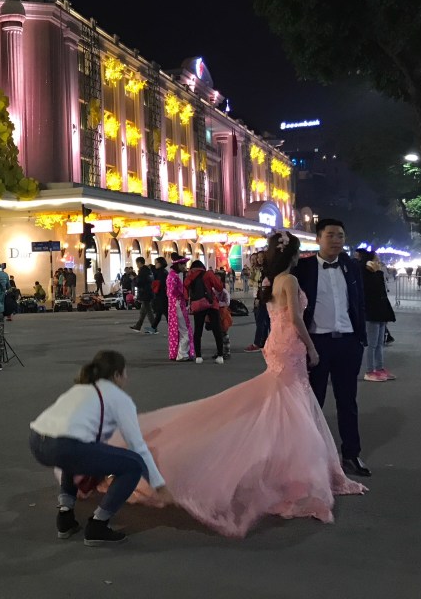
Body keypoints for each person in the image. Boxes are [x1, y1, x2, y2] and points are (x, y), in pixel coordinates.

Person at [123, 231, 366, 537]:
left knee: (286, 403)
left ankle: (287, 466)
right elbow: (296, 319)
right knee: (294, 403)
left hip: (276, 345)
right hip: (290, 345)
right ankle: (293, 471)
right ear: (291, 255)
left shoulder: (271, 281)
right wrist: (312, 347)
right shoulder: (288, 281)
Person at [29, 350, 170, 545]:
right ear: (116, 375)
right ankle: (98, 525)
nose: (126, 378)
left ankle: (65, 516)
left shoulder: (80, 388)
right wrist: (159, 486)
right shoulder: (119, 398)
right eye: (125, 373)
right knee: (133, 464)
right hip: (64, 446)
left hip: (37, 442)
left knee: (71, 457)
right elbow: (137, 446)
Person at [293, 218, 371, 477]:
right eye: (331, 235)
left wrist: (360, 338)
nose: (337, 240)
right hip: (317, 344)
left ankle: (351, 454)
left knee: (347, 401)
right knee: (313, 402)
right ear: (318, 238)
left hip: (348, 342)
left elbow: (358, 303)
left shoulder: (351, 266)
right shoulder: (303, 268)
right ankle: (310, 458)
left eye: (340, 235)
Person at [355, 249, 396, 383]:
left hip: (380, 311)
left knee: (380, 343)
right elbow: (370, 291)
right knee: (372, 344)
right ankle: (369, 371)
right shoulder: (364, 273)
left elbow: (382, 292)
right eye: (376, 258)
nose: (378, 260)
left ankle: (379, 368)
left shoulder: (377, 273)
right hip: (371, 312)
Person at [185, 260, 226, 364]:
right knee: (217, 329)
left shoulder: (189, 276)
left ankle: (198, 356)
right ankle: (220, 356)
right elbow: (219, 287)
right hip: (210, 303)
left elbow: (185, 289)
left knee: (198, 330)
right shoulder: (208, 273)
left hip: (197, 305)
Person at [166, 254, 193, 361]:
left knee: (180, 330)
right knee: (185, 330)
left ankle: (180, 353)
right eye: (183, 265)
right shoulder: (174, 277)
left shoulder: (173, 275)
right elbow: (173, 292)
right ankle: (182, 354)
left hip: (174, 305)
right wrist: (183, 295)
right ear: (179, 265)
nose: (185, 267)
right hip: (178, 305)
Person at [129, 257, 154, 332]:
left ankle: (154, 327)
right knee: (143, 312)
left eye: (137, 263)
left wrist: (134, 279)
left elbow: (139, 283)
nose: (136, 265)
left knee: (148, 311)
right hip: (148, 292)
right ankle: (138, 326)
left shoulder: (142, 271)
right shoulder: (148, 271)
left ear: (139, 262)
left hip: (145, 293)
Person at [145, 256, 168, 334]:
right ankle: (153, 328)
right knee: (159, 313)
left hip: (162, 295)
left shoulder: (162, 272)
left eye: (156, 263)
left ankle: (173, 328)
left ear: (160, 263)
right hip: (160, 295)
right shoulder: (161, 271)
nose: (155, 264)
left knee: (165, 312)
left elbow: (160, 283)